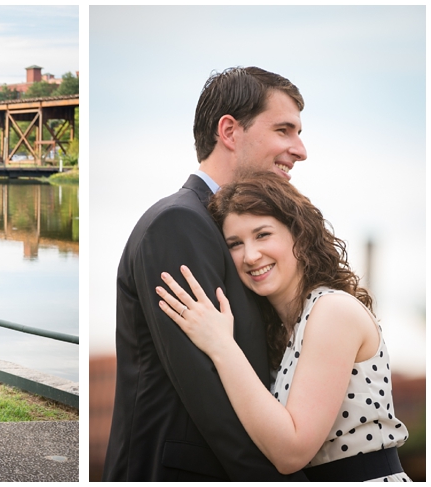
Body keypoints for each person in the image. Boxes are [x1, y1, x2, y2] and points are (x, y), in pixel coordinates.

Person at [104, 67, 308, 481]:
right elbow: (206, 387)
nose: (300, 149)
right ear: (230, 131)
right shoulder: (179, 223)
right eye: (284, 130)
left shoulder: (221, 226)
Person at [155, 171, 410, 481]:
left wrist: (221, 345)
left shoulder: (332, 311)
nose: (250, 255)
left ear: (299, 236)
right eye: (235, 243)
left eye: (263, 235)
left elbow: (291, 452)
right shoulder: (282, 329)